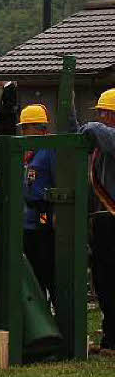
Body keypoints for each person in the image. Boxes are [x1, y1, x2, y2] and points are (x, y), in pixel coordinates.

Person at [78, 87, 115, 351]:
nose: (101, 117)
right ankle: (110, 336)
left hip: (111, 219)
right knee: (104, 281)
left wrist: (88, 126)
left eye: (105, 112)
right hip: (103, 220)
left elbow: (98, 132)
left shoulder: (107, 136)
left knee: (110, 280)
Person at [18, 104, 55, 304]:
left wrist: (53, 215)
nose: (23, 132)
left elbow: (58, 180)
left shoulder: (50, 150)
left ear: (40, 128)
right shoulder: (29, 152)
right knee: (33, 268)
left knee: (45, 262)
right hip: (28, 218)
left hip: (43, 214)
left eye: (26, 127)